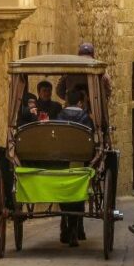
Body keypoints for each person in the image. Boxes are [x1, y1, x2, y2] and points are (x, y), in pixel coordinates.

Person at [58, 90, 92, 246]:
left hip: (62, 161)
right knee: (78, 192)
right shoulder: (85, 118)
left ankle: (66, 222)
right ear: (80, 102)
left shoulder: (60, 116)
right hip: (80, 161)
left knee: (62, 190)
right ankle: (73, 227)